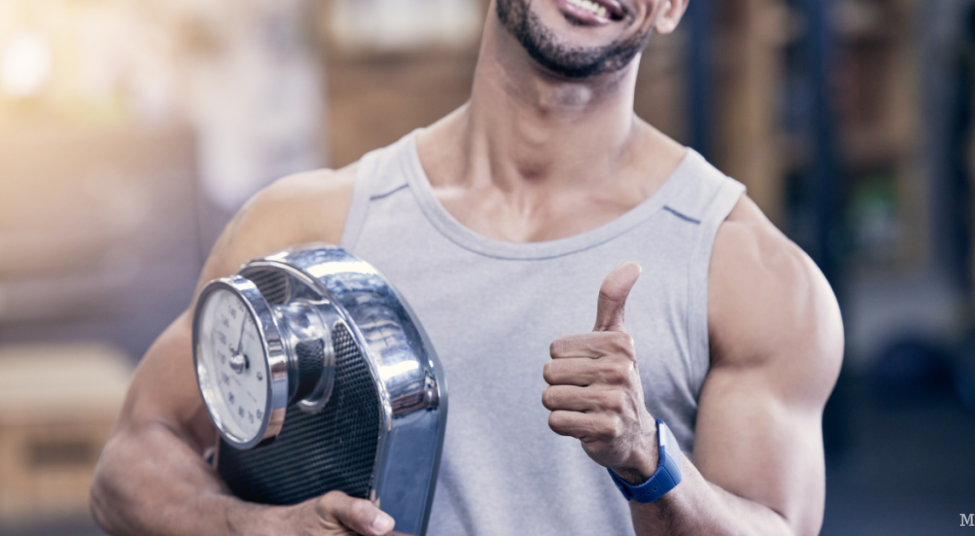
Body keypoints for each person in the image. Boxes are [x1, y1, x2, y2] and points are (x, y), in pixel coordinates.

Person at [90, 0, 844, 534]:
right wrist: (251, 529)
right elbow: (132, 457)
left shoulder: (752, 274)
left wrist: (649, 462)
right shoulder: (305, 224)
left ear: (674, 6)